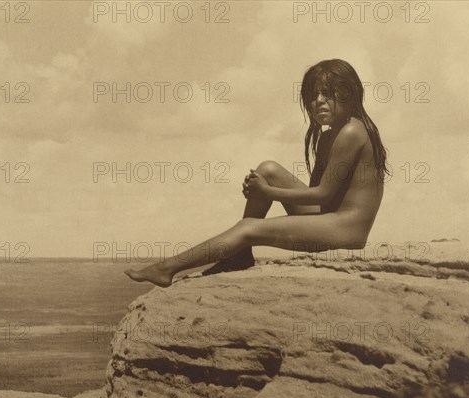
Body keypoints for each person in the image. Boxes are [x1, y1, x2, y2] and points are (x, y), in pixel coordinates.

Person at [125, 59, 389, 287]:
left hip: (348, 231)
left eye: (327, 93)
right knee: (268, 169)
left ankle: (167, 268)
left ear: (348, 94)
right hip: (330, 217)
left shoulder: (352, 132)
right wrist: (265, 185)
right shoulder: (328, 135)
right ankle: (239, 255)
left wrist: (267, 192)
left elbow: (322, 194)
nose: (317, 100)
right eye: (313, 94)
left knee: (249, 227)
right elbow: (315, 196)